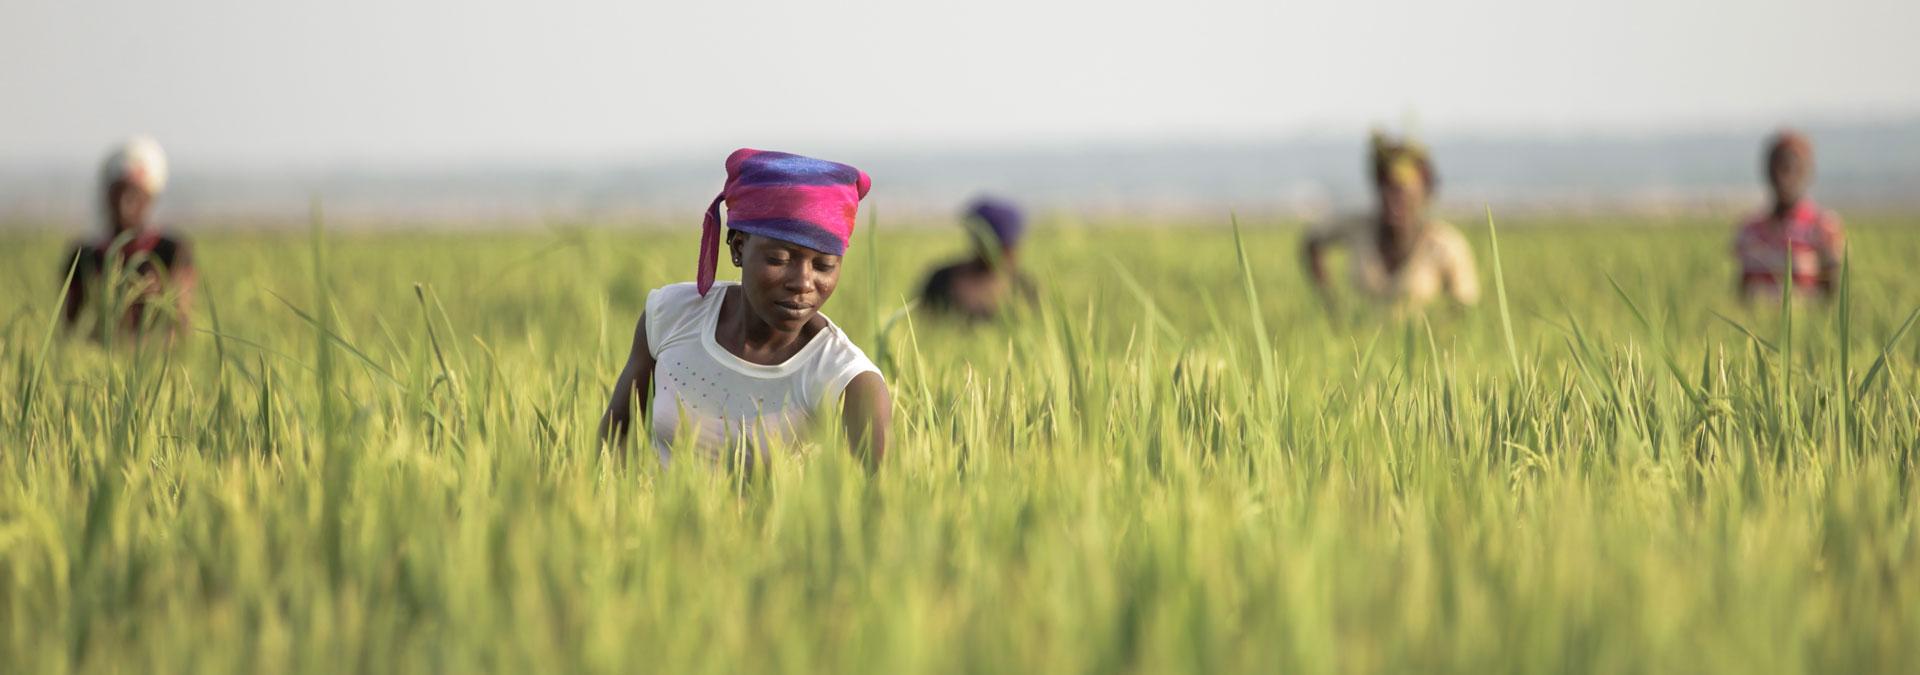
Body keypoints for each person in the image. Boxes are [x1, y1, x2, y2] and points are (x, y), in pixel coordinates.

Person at [598, 149, 892, 470]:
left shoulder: (846, 377)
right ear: (739, 247)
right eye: (779, 259)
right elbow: (612, 442)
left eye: (824, 266)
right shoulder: (672, 314)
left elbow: (875, 505)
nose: (804, 283)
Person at [1302, 131, 1478, 312]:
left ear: (1424, 195)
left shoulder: (1446, 245)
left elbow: (1464, 307)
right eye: (1387, 190)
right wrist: (1330, 303)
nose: (1394, 201)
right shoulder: (1358, 227)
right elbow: (1312, 241)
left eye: (1403, 193)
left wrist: (1440, 332)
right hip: (1358, 333)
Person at [61, 137, 197, 340]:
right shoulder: (85, 256)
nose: (126, 203)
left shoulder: (171, 251)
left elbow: (180, 323)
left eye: (135, 193)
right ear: (107, 195)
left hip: (155, 362)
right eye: (119, 191)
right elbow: (71, 331)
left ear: (151, 197)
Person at [1733, 130, 1844, 301]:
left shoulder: (1822, 227)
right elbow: (1743, 296)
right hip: (1758, 326)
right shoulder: (1749, 230)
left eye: (1792, 168)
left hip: (1805, 325)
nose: (1783, 177)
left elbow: (1832, 299)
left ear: (1808, 173)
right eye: (1776, 168)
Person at [919, 196, 1037, 320]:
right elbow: (922, 324)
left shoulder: (1025, 289)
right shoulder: (942, 281)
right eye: (1004, 248)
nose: (1011, 255)